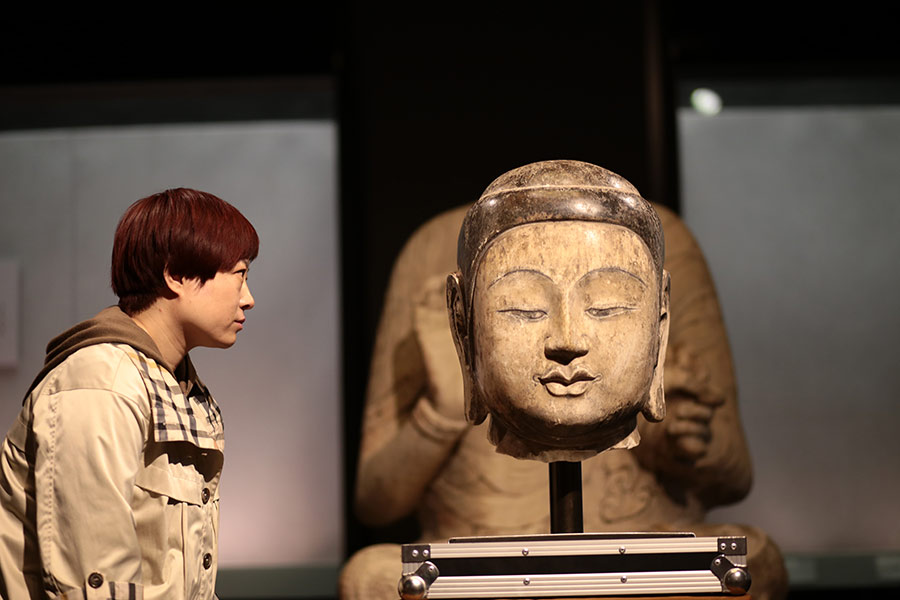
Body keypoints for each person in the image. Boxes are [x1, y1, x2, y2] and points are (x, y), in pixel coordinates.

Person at [340, 161, 787, 600]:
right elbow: (376, 499)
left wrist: (674, 440)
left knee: (754, 559)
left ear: (661, 319)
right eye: (523, 308)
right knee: (370, 577)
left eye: (608, 306)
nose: (568, 340)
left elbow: (734, 474)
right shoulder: (431, 248)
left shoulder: (666, 239)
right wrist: (439, 413)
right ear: (461, 323)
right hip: (484, 562)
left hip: (640, 548)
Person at [0, 188, 258, 600]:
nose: (248, 298)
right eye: (239, 275)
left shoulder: (177, 388)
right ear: (176, 276)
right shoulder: (101, 381)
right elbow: (95, 582)